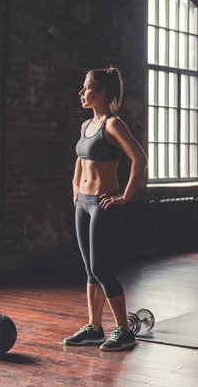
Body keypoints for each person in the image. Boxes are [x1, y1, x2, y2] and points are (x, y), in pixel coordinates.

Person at [63, 66, 148, 352]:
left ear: (100, 92)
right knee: (89, 269)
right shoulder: (85, 125)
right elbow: (80, 158)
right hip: (83, 203)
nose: (81, 92)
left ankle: (124, 331)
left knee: (101, 267)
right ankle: (95, 328)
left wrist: (124, 195)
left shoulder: (113, 124)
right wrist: (75, 186)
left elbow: (139, 159)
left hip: (103, 203)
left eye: (86, 87)